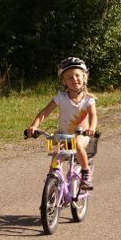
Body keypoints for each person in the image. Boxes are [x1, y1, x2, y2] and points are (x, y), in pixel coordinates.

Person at [26, 57, 98, 190]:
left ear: (84, 78)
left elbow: (93, 116)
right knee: (55, 158)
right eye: (69, 77)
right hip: (64, 135)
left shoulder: (88, 100)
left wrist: (92, 128)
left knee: (76, 144)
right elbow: (44, 112)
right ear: (64, 82)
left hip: (82, 134)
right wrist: (34, 126)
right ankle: (52, 185)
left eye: (77, 76)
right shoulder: (61, 97)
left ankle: (86, 173)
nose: (74, 79)